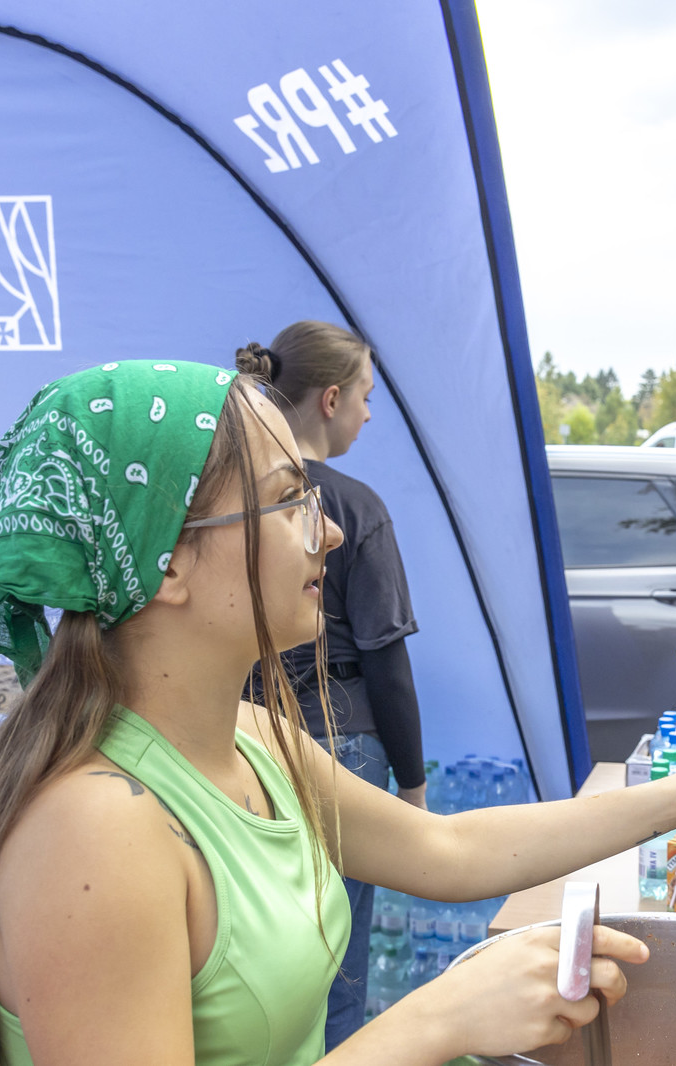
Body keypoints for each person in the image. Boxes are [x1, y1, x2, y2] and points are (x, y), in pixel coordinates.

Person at [0, 357, 676, 1066]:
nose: (327, 530)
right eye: (290, 499)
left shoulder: (252, 738)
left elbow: (448, 851)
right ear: (163, 563)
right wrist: (438, 1019)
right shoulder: (95, 833)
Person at [247, 321, 425, 1048]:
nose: (369, 413)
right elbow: (386, 662)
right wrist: (412, 788)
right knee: (339, 976)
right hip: (341, 744)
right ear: (330, 399)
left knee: (265, 963)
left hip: (246, 742)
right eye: (366, 396)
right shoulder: (354, 507)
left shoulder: (235, 497)